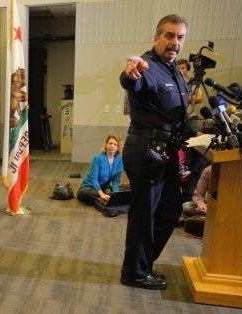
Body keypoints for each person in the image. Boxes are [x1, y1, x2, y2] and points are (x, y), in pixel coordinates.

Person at [119, 14, 192, 290]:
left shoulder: (173, 69)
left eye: (180, 37)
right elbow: (133, 80)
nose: (175, 42)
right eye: (169, 35)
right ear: (157, 37)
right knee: (145, 215)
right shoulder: (147, 66)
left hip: (167, 151)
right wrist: (130, 72)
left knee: (171, 210)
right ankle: (134, 272)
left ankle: (143, 263)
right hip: (147, 150)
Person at [76, 134, 124, 217]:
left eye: (115, 144)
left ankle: (103, 204)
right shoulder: (98, 158)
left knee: (118, 193)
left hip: (102, 190)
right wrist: (102, 194)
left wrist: (115, 195)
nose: (112, 146)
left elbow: (116, 181)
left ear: (118, 147)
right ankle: (105, 200)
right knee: (88, 193)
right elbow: (93, 180)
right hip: (88, 188)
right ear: (106, 145)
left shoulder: (120, 160)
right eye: (110, 143)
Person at [176, 58, 203, 132]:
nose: (180, 70)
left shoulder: (193, 83)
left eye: (183, 68)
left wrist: (183, 99)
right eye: (178, 68)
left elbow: (200, 98)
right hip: (178, 118)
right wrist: (192, 97)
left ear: (187, 69)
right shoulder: (174, 83)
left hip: (191, 118)